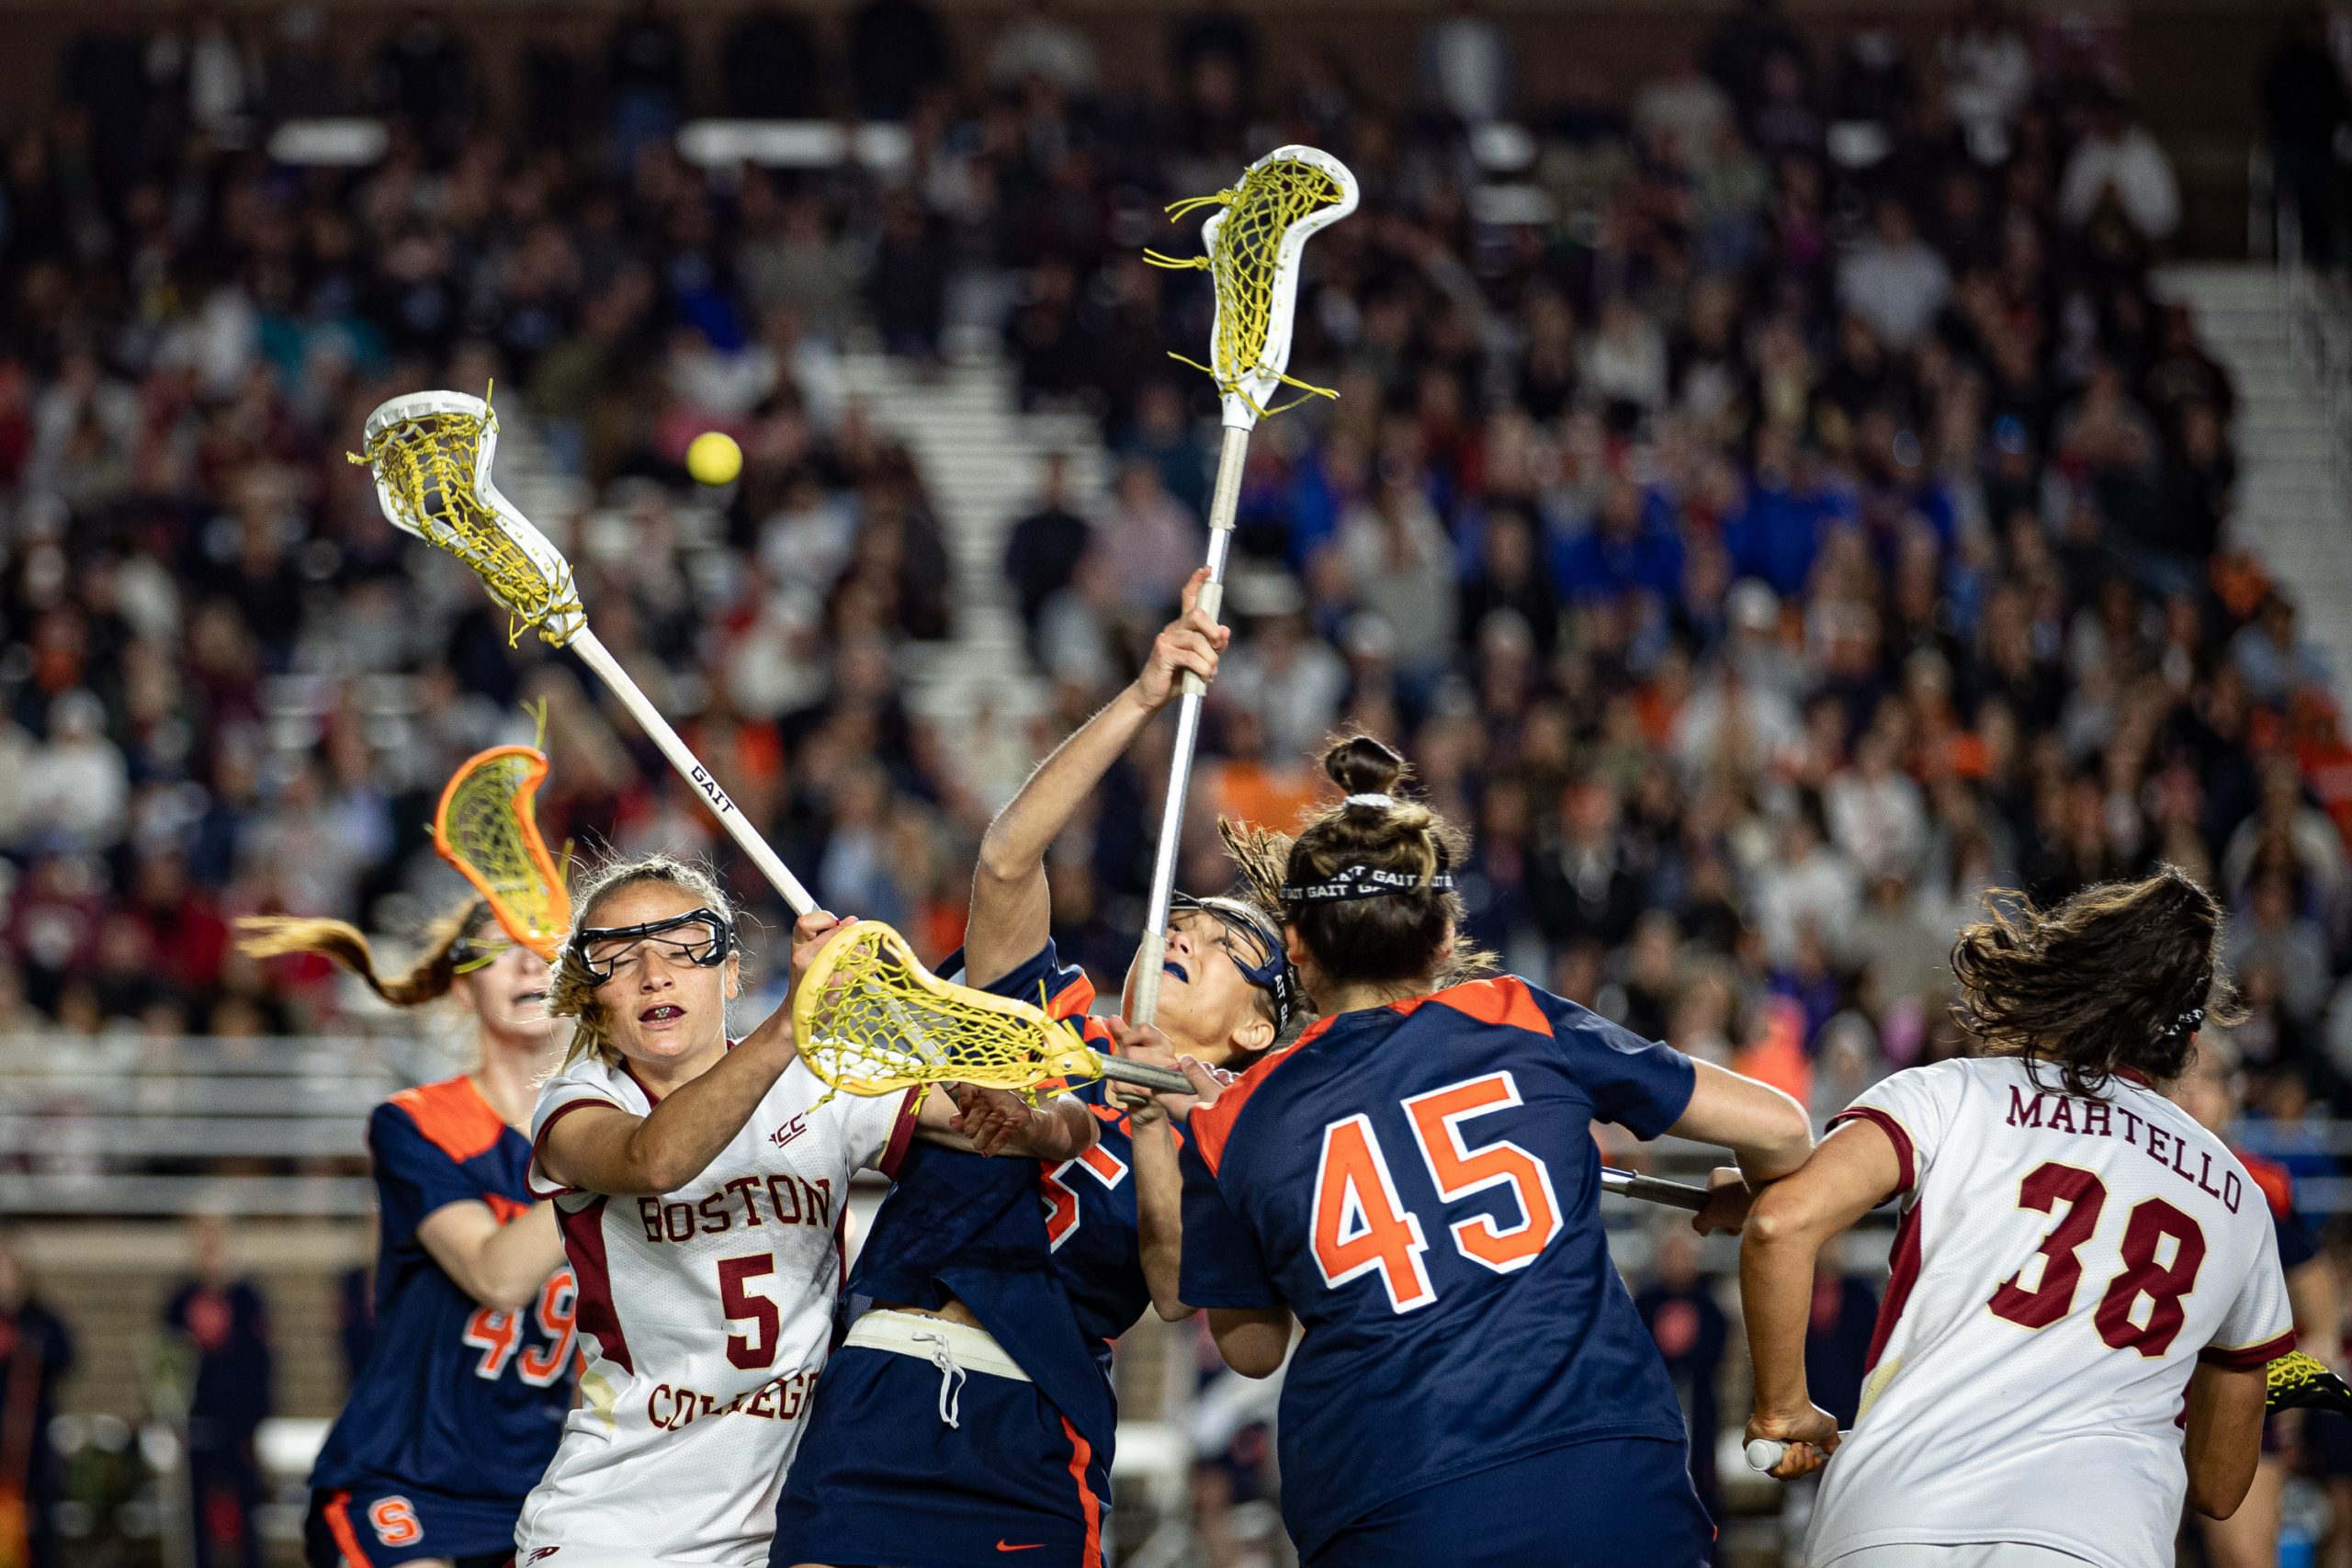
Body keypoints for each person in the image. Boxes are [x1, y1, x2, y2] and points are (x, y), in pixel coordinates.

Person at [1167, 736, 1815, 1568]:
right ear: (1442, 938)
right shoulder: (1515, 1014)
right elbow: (1783, 1128)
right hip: (1608, 1483)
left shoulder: (1233, 1121)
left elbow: (1252, 1350)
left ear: (1295, 943)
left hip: (1392, 1506)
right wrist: (1749, 1186)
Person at [774, 570, 1293, 1568]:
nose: (1185, 929)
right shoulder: (1043, 1011)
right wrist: (1143, 694)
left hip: (1032, 1420)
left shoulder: (1235, 1134)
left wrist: (1151, 1125)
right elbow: (1008, 859)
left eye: (1225, 942)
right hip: (881, 1371)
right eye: (1179, 916)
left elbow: (1182, 1295)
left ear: (1257, 1029)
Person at [518, 854, 1086, 1567]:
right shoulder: (578, 1101)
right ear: (590, 995)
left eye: (682, 947)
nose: (653, 974)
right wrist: (796, 1017)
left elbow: (1038, 1123)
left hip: (789, 1528)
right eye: (618, 956)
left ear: (730, 973)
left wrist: (1035, 1116)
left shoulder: (821, 1082)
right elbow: (654, 1161)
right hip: (617, 1526)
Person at [1740, 867, 2292, 1568]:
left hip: (1890, 1522)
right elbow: (2219, 1484)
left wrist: (1782, 1408)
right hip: (2098, 1541)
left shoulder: (1951, 1092)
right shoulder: (2239, 1198)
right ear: (2186, 1045)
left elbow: (1778, 1225)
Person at [237, 902, 578, 1568]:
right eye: (494, 948)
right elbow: (497, 1274)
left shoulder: (616, 1133)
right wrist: (629, 1158)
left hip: (547, 1491)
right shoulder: (418, 1122)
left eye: (542, 943)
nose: (525, 959)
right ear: (461, 986)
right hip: (405, 1477)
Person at [2170, 1033, 2341, 1568]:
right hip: (2140, 1392)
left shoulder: (2255, 1185)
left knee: (2244, 1557)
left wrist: (2294, 1384)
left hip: (2230, 1393)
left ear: (2234, 1093)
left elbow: (2320, 1302)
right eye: (2180, 1078)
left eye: (2209, 1079)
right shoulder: (2118, 1163)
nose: (2194, 1094)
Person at [163, 1213, 275, 1568]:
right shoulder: (179, 1300)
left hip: (238, 1424)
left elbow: (263, 1364)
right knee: (195, 1517)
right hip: (195, 1423)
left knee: (246, 1514)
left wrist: (256, 1421)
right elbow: (164, 1363)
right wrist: (172, 1414)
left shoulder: (248, 1298)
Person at [0, 1230, 74, 1568]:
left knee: (39, 1528)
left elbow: (67, 1356)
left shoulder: (40, 1318)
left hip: (32, 1439)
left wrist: (36, 1350)